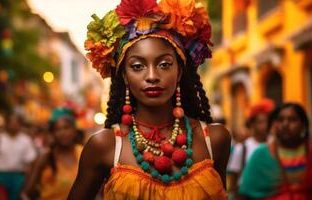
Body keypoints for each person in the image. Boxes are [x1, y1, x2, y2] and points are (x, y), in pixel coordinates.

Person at [68, 0, 231, 199]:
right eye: (138, 66)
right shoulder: (104, 145)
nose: (152, 75)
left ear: (179, 71)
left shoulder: (214, 139)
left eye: (164, 64)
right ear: (124, 76)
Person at [239, 103, 312, 199]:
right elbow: (244, 195)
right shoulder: (260, 155)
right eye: (280, 120)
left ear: (303, 124)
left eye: (292, 120)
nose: (285, 124)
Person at [21, 108, 83, 200]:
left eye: (66, 128)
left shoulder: (83, 153)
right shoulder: (46, 157)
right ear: (53, 133)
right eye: (57, 129)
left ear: (74, 129)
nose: (63, 133)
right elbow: (27, 192)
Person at [227, 99, 274, 198]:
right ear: (252, 125)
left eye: (267, 122)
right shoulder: (242, 148)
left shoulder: (275, 145)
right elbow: (234, 179)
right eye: (260, 122)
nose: (265, 126)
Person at [0, 114, 37, 200]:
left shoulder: (26, 140)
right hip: (1, 175)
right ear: (7, 124)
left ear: (20, 125)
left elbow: (30, 162)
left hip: (18, 177)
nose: (13, 126)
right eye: (11, 123)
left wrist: (26, 181)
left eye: (16, 124)